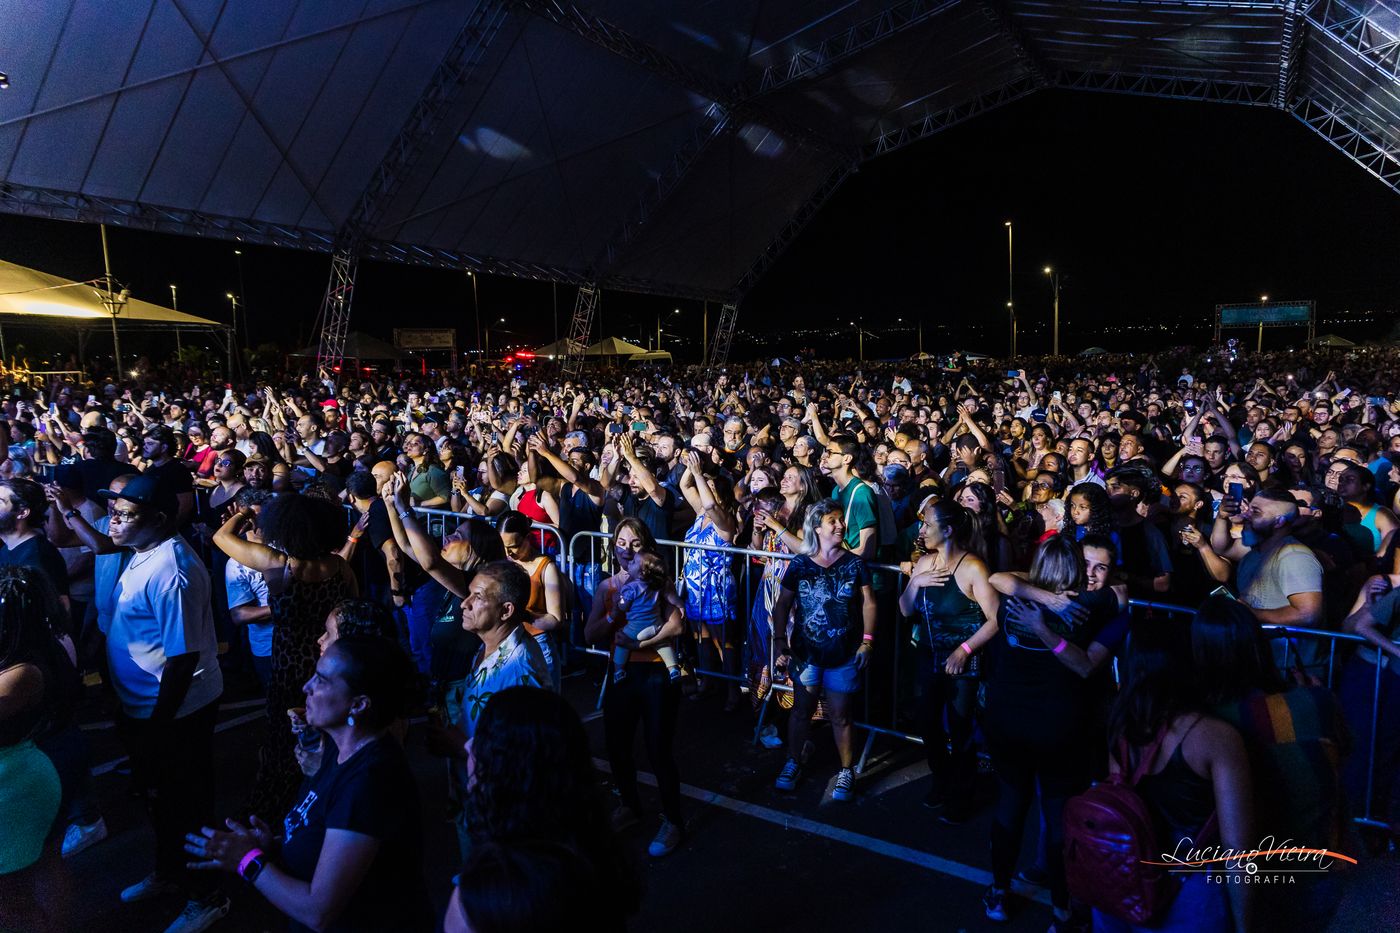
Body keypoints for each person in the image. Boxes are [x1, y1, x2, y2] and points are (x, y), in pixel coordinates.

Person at [183, 635, 433, 933]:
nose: (306, 687)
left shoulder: (369, 782)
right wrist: (274, 847)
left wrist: (247, 860)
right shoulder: (338, 750)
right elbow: (328, 835)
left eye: (321, 680)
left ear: (358, 704)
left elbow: (318, 911)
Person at [101, 473, 229, 932]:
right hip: (146, 709)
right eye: (113, 513)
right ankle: (169, 872)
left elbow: (182, 657)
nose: (113, 522)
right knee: (160, 800)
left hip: (176, 713)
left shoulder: (173, 571)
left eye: (125, 515)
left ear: (157, 519)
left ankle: (206, 895)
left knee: (187, 805)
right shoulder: (142, 553)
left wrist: (158, 726)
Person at [980, 536, 1121, 927]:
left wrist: (1040, 602)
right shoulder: (1088, 609)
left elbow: (1002, 579)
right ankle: (1061, 908)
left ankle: (999, 892)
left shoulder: (1012, 603)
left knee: (1011, 805)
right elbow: (1120, 598)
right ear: (1075, 568)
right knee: (1059, 816)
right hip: (1057, 728)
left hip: (1008, 721)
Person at [1095, 618, 1254, 933]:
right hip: (1190, 893)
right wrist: (1245, 925)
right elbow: (1238, 850)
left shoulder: (1120, 725)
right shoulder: (1215, 737)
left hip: (1126, 881)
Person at [1199, 595, 1347, 930]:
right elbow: (1344, 751)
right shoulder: (1316, 701)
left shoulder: (1208, 723)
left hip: (1258, 871)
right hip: (1320, 864)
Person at [213, 492, 358, 821]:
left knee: (283, 739)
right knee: (323, 734)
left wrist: (246, 512)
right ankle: (318, 804)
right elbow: (352, 614)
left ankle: (273, 810)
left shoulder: (280, 563)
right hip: (327, 662)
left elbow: (221, 537)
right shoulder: (340, 566)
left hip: (288, 665)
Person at [446, 687, 639, 932]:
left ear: (510, 771)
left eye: (483, 739)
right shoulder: (596, 857)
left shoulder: (477, 903)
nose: (468, 746)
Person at [584, 518, 687, 858]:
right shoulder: (607, 587)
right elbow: (590, 633)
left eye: (635, 543)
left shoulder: (658, 581)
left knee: (658, 749)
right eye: (621, 543)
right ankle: (629, 805)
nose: (627, 550)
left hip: (656, 673)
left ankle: (673, 821)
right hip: (623, 675)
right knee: (616, 745)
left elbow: (677, 625)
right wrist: (615, 617)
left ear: (647, 547)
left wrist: (641, 643)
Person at [899, 499, 1000, 822]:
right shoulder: (925, 563)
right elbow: (905, 609)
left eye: (928, 524)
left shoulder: (973, 568)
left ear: (948, 529)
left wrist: (965, 650)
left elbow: (996, 619)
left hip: (962, 663)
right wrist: (915, 582)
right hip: (928, 657)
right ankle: (942, 779)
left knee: (960, 729)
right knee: (927, 723)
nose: (922, 530)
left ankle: (962, 795)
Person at [771, 499, 876, 803]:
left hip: (843, 654)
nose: (841, 525)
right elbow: (782, 604)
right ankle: (794, 761)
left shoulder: (854, 564)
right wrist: (779, 640)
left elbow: (869, 603)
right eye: (833, 520)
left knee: (841, 715)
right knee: (801, 710)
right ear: (817, 527)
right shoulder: (800, 564)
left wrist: (867, 641)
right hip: (805, 654)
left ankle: (846, 770)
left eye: (841, 520)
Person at [0, 567, 78, 933]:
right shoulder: (46, 643)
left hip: (25, 778)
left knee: (11, 894)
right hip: (43, 762)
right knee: (46, 864)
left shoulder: (23, 672)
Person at [677, 449, 740, 707]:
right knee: (700, 638)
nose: (703, 491)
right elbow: (685, 485)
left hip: (716, 588)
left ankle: (732, 690)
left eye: (709, 488)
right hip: (695, 587)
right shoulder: (700, 513)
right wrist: (692, 465)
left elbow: (712, 504)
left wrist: (699, 473)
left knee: (722, 641)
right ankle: (707, 681)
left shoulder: (724, 520)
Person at [498, 510, 565, 690]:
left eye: (514, 546)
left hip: (538, 644)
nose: (508, 552)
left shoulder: (546, 567)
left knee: (544, 704)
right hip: (506, 644)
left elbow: (556, 619)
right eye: (504, 546)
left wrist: (523, 615)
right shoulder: (502, 563)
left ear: (528, 538)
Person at [611, 549, 681, 681]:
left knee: (621, 643)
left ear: (642, 572)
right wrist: (681, 606)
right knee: (663, 644)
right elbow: (672, 598)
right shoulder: (657, 586)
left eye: (634, 562)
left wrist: (618, 601)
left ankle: (618, 671)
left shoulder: (630, 588)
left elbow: (624, 607)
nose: (630, 562)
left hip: (635, 630)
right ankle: (673, 669)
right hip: (656, 626)